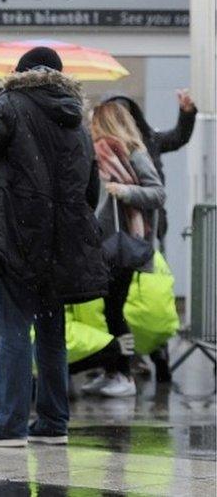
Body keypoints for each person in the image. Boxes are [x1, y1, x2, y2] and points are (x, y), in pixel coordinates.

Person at [0, 47, 108, 447]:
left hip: (15, 232)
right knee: (50, 331)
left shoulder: (6, 105)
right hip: (61, 241)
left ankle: (9, 424)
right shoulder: (77, 120)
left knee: (11, 329)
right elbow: (90, 187)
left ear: (19, 73)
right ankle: (53, 421)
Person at [85, 101, 165, 398]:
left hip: (124, 244)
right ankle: (111, 370)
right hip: (105, 244)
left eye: (94, 120)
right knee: (107, 310)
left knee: (115, 310)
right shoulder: (100, 155)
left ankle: (124, 373)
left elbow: (157, 193)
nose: (90, 125)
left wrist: (125, 191)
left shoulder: (134, 152)